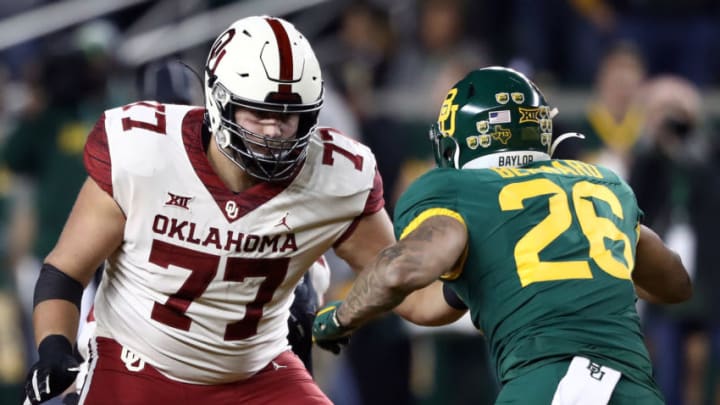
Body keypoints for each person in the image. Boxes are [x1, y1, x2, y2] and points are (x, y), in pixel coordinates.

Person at [24, 15, 395, 405]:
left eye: (287, 116)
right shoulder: (144, 152)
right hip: (139, 360)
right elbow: (64, 272)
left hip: (256, 370)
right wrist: (53, 350)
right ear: (220, 102)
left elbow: (404, 280)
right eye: (260, 114)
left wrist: (452, 273)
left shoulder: (333, 174)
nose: (272, 132)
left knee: (306, 295)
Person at [313, 66, 692, 404]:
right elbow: (675, 282)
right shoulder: (602, 184)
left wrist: (342, 317)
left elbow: (402, 270)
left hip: (550, 381)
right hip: (636, 389)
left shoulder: (457, 188)